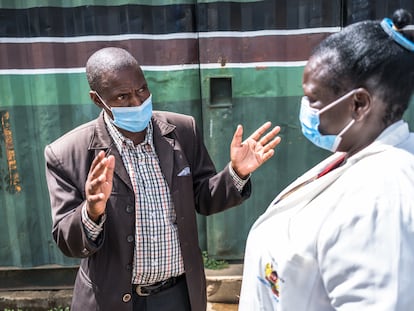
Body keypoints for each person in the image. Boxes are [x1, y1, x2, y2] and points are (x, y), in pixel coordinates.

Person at [44, 46, 281, 311]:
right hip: (112, 300)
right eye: (122, 97)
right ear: (98, 99)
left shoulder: (182, 130)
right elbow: (67, 241)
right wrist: (91, 212)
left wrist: (236, 173)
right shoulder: (66, 154)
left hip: (178, 296)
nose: (137, 103)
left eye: (142, 90)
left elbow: (204, 198)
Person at [239, 8, 414, 311]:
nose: (305, 107)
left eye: (313, 98)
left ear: (359, 104)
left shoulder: (382, 196)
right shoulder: (353, 159)